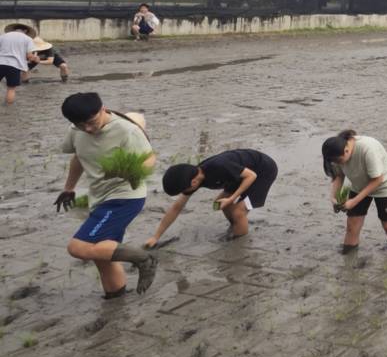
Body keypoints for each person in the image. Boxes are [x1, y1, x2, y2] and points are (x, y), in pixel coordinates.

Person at [54, 92, 158, 298]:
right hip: (99, 198)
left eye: (92, 122)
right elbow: (78, 157)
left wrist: (131, 171)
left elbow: (149, 160)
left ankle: (144, 259)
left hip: (125, 197)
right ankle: (116, 297)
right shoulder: (76, 130)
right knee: (102, 255)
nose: (88, 129)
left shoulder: (126, 130)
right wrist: (69, 188)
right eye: (81, 125)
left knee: (78, 247)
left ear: (103, 109)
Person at [145, 149, 279, 247]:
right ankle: (236, 227)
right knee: (222, 205)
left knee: (238, 212)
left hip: (262, 171)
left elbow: (251, 176)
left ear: (193, 183)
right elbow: (176, 207)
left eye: (183, 191)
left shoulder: (219, 166)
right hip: (238, 175)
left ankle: (239, 245)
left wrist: (232, 198)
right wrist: (155, 237)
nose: (184, 193)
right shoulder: (193, 177)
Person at [322, 129, 387, 254]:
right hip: (358, 185)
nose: (337, 164)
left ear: (346, 150)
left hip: (384, 186)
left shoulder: (367, 148)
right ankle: (348, 257)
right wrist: (334, 198)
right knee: (352, 224)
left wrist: (353, 201)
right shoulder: (336, 152)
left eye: (339, 161)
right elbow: (339, 176)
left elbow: (378, 179)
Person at [1, 23, 38, 105]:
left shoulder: (3, 36)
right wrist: (35, 58)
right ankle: (9, 110)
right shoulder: (28, 39)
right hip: (15, 66)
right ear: (25, 30)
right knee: (11, 89)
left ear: (14, 29)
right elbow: (29, 56)